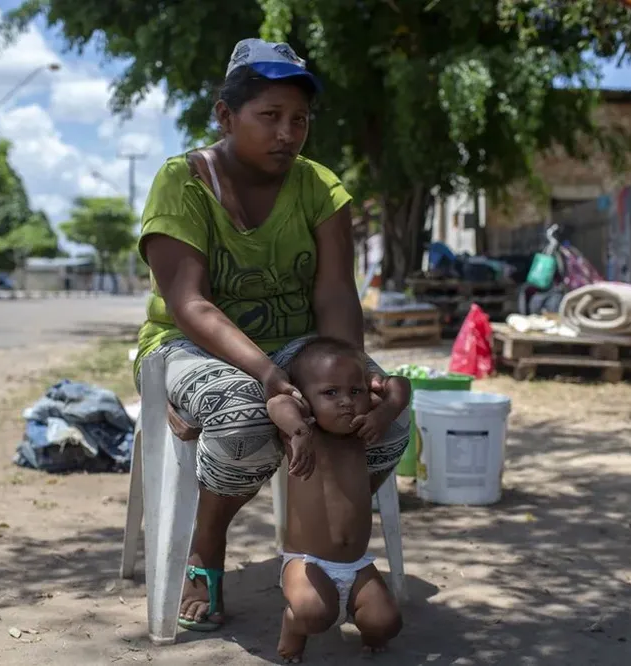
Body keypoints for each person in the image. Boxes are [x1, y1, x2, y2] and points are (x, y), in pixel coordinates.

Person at [133, 38, 411, 632]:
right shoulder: (182, 182)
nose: (288, 132)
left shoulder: (319, 186)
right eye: (271, 117)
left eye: (300, 120)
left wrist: (356, 373)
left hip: (296, 346)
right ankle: (206, 544)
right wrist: (268, 380)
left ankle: (323, 548)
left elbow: (335, 294)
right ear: (226, 115)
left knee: (384, 416)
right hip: (189, 345)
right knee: (243, 415)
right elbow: (188, 303)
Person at [267, 337, 409, 661]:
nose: (346, 401)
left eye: (354, 391)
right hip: (307, 563)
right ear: (305, 398)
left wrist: (385, 413)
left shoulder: (360, 429)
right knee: (313, 614)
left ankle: (366, 627)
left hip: (357, 565)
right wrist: (298, 432)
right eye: (330, 393)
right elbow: (277, 404)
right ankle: (293, 624)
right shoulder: (304, 432)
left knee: (387, 623)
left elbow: (400, 384)